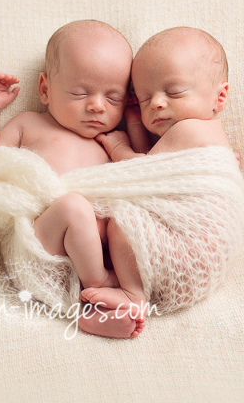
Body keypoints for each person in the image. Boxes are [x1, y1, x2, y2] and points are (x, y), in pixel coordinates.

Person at [0, 20, 145, 338]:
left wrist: (134, 123)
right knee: (73, 207)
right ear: (45, 90)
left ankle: (90, 314)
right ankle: (100, 283)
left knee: (131, 217)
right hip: (41, 247)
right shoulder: (29, 123)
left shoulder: (111, 142)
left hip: (97, 253)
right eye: (80, 93)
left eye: (114, 98)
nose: (97, 105)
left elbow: (143, 171)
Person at [85, 26, 233, 331]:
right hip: (197, 265)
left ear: (219, 96)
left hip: (189, 251)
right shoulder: (205, 135)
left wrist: (118, 148)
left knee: (123, 221)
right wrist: (135, 125)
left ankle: (132, 294)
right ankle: (117, 288)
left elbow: (141, 172)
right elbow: (157, 171)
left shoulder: (189, 129)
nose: (156, 104)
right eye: (144, 98)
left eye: (173, 91)